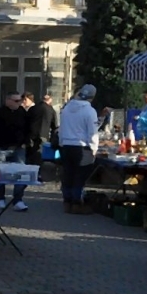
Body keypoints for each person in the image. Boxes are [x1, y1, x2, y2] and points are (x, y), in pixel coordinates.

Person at [0, 92, 31, 212]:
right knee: (0, 174)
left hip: (18, 148)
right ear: (8, 100)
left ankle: (18, 200)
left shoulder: (22, 112)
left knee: (20, 174)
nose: (19, 103)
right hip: (1, 146)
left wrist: (25, 142)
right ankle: (0, 198)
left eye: (20, 101)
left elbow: (29, 128)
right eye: (16, 101)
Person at [58, 84, 101, 213]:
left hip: (66, 145)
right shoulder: (89, 111)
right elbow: (92, 132)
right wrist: (94, 148)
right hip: (82, 148)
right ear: (92, 97)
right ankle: (76, 203)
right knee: (80, 176)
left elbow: (61, 128)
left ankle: (67, 202)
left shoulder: (66, 108)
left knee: (68, 175)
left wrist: (62, 143)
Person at [23, 91, 57, 169]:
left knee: (29, 158)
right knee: (40, 158)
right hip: (44, 137)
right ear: (50, 100)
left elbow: (26, 123)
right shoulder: (51, 110)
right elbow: (54, 127)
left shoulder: (33, 108)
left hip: (31, 136)